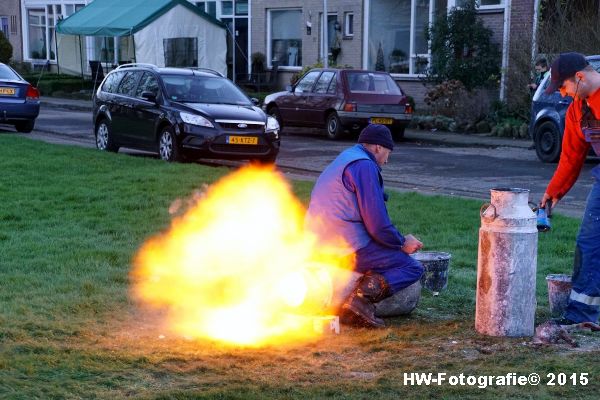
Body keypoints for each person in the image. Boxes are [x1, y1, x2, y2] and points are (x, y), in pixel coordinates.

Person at [305, 124, 425, 328]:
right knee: (411, 267)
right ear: (378, 147)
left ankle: (356, 299)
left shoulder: (345, 158)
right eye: (388, 152)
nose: (387, 159)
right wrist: (402, 242)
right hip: (345, 246)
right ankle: (359, 303)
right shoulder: (365, 166)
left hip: (317, 243)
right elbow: (377, 225)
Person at [539, 52, 600, 326]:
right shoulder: (578, 110)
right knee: (590, 242)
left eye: (563, 87)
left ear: (579, 77)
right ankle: (583, 314)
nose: (563, 94)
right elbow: (571, 158)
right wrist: (553, 193)